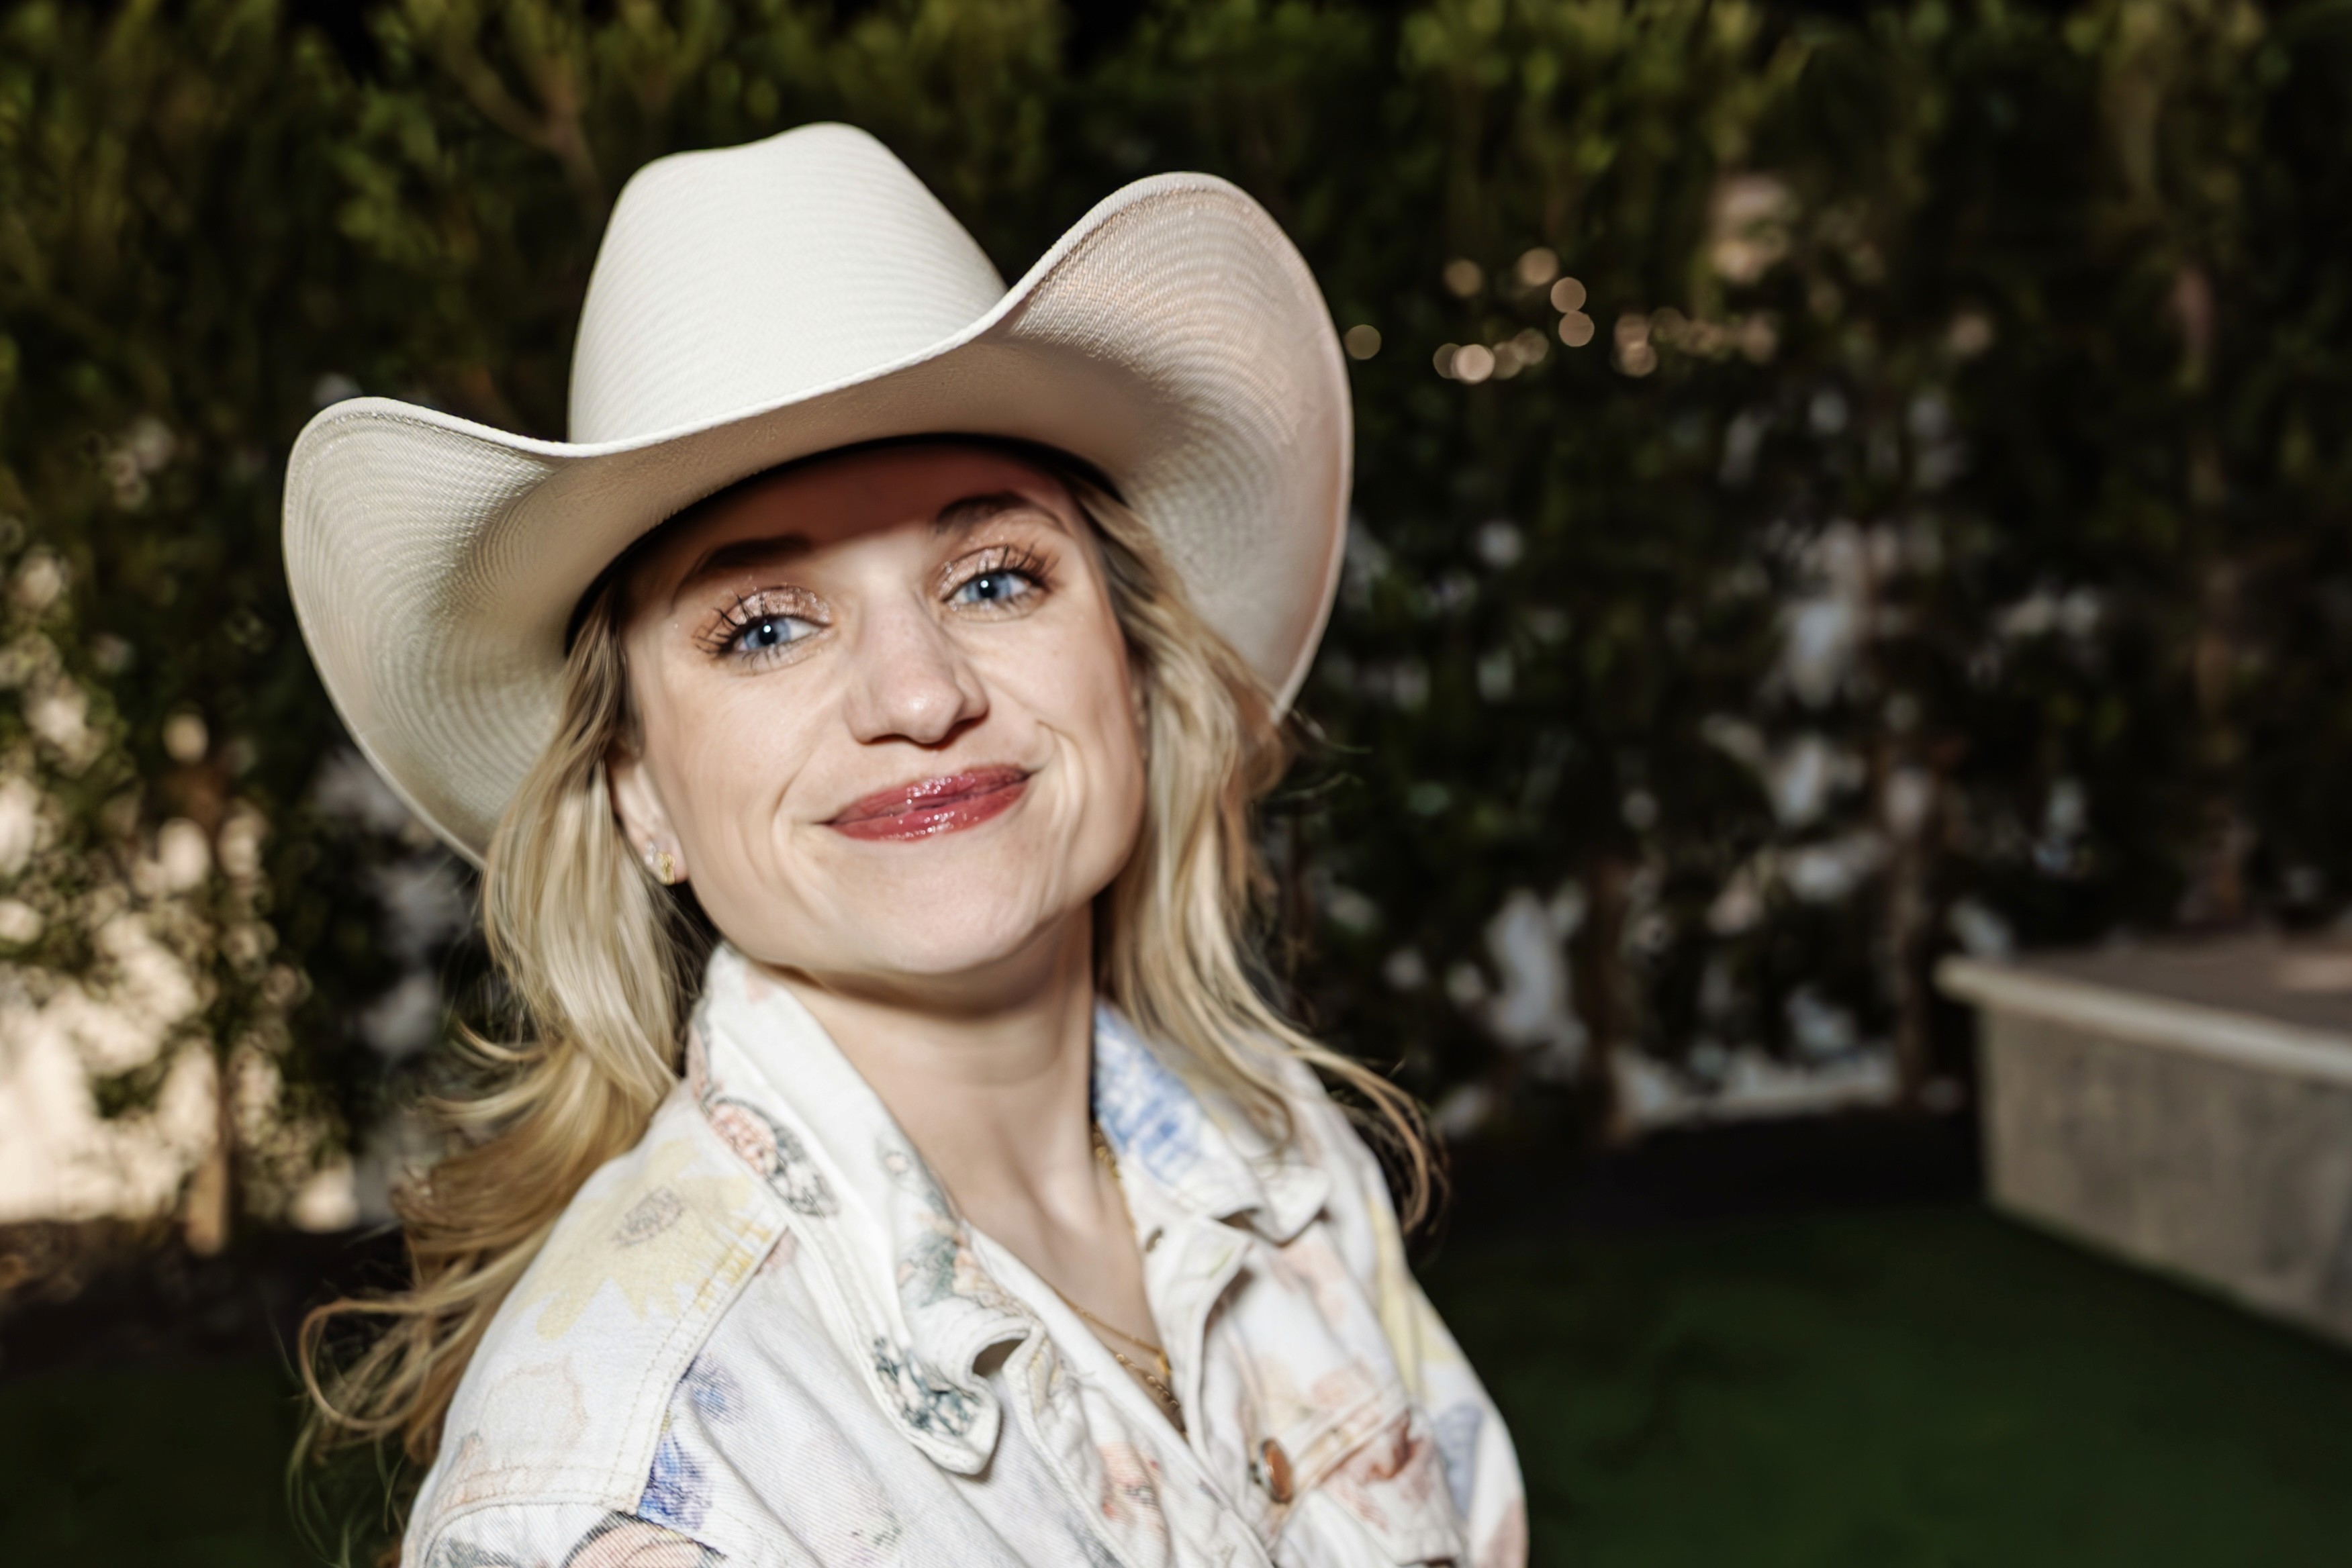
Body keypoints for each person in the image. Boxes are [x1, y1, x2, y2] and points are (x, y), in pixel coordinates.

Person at [289, 122, 1524, 1568]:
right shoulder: (641, 1483)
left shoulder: (1285, 1169)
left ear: (1124, 665)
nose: (922, 693)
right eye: (765, 626)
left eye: (994, 576)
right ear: (640, 793)